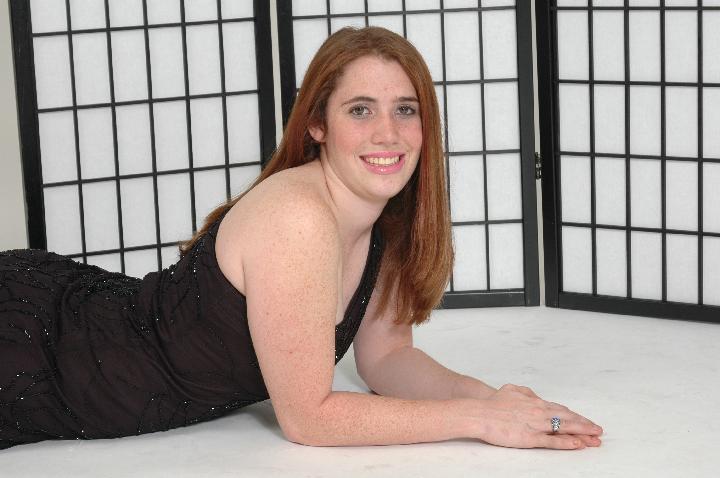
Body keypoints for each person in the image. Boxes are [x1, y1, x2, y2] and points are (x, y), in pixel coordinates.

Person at [0, 26, 602, 450]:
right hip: (38, 352)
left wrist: (496, 401)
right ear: (317, 124)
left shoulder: (381, 219)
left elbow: (388, 359)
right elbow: (310, 418)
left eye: (406, 109)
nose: (388, 133)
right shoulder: (299, 217)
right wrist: (479, 421)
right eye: (360, 110)